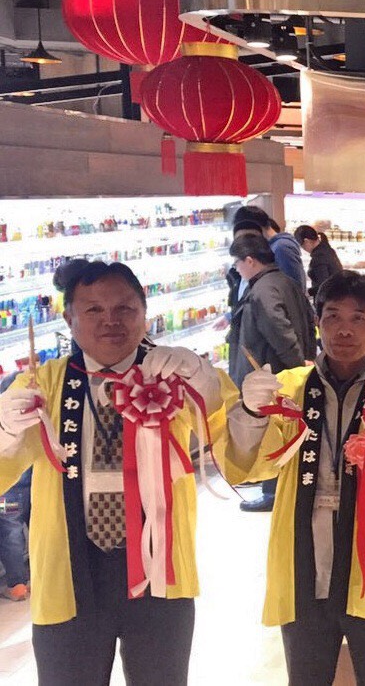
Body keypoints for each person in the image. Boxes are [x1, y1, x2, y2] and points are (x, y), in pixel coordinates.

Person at [0, 259, 234, 685]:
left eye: (125, 308)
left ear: (145, 312)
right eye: (93, 309)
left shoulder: (173, 374)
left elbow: (237, 448)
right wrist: (4, 431)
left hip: (160, 568)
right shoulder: (42, 383)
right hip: (70, 571)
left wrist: (210, 388)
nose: (111, 321)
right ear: (69, 319)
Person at [216, 270, 365, 686]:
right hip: (303, 555)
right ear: (317, 322)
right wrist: (251, 411)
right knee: (306, 675)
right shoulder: (288, 387)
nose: (344, 329)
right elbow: (249, 464)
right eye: (333, 316)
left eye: (359, 318)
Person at [228, 236, 318, 513]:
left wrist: (296, 366)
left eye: (238, 263)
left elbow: (279, 330)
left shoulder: (262, 290)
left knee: (273, 430)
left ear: (250, 260)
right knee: (286, 431)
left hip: (272, 373)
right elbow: (308, 320)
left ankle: (271, 491)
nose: (237, 269)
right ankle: (277, 488)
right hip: (287, 370)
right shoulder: (285, 282)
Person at [0, 465, 30, 601]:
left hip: (6, 493)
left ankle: (18, 587)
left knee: (11, 534)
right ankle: (46, 579)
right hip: (31, 486)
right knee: (37, 531)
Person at [294, 225, 343, 300]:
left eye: (302, 246)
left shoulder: (318, 257)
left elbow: (323, 285)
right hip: (337, 296)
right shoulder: (327, 249)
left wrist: (308, 292)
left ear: (306, 241)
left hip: (327, 299)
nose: (303, 249)